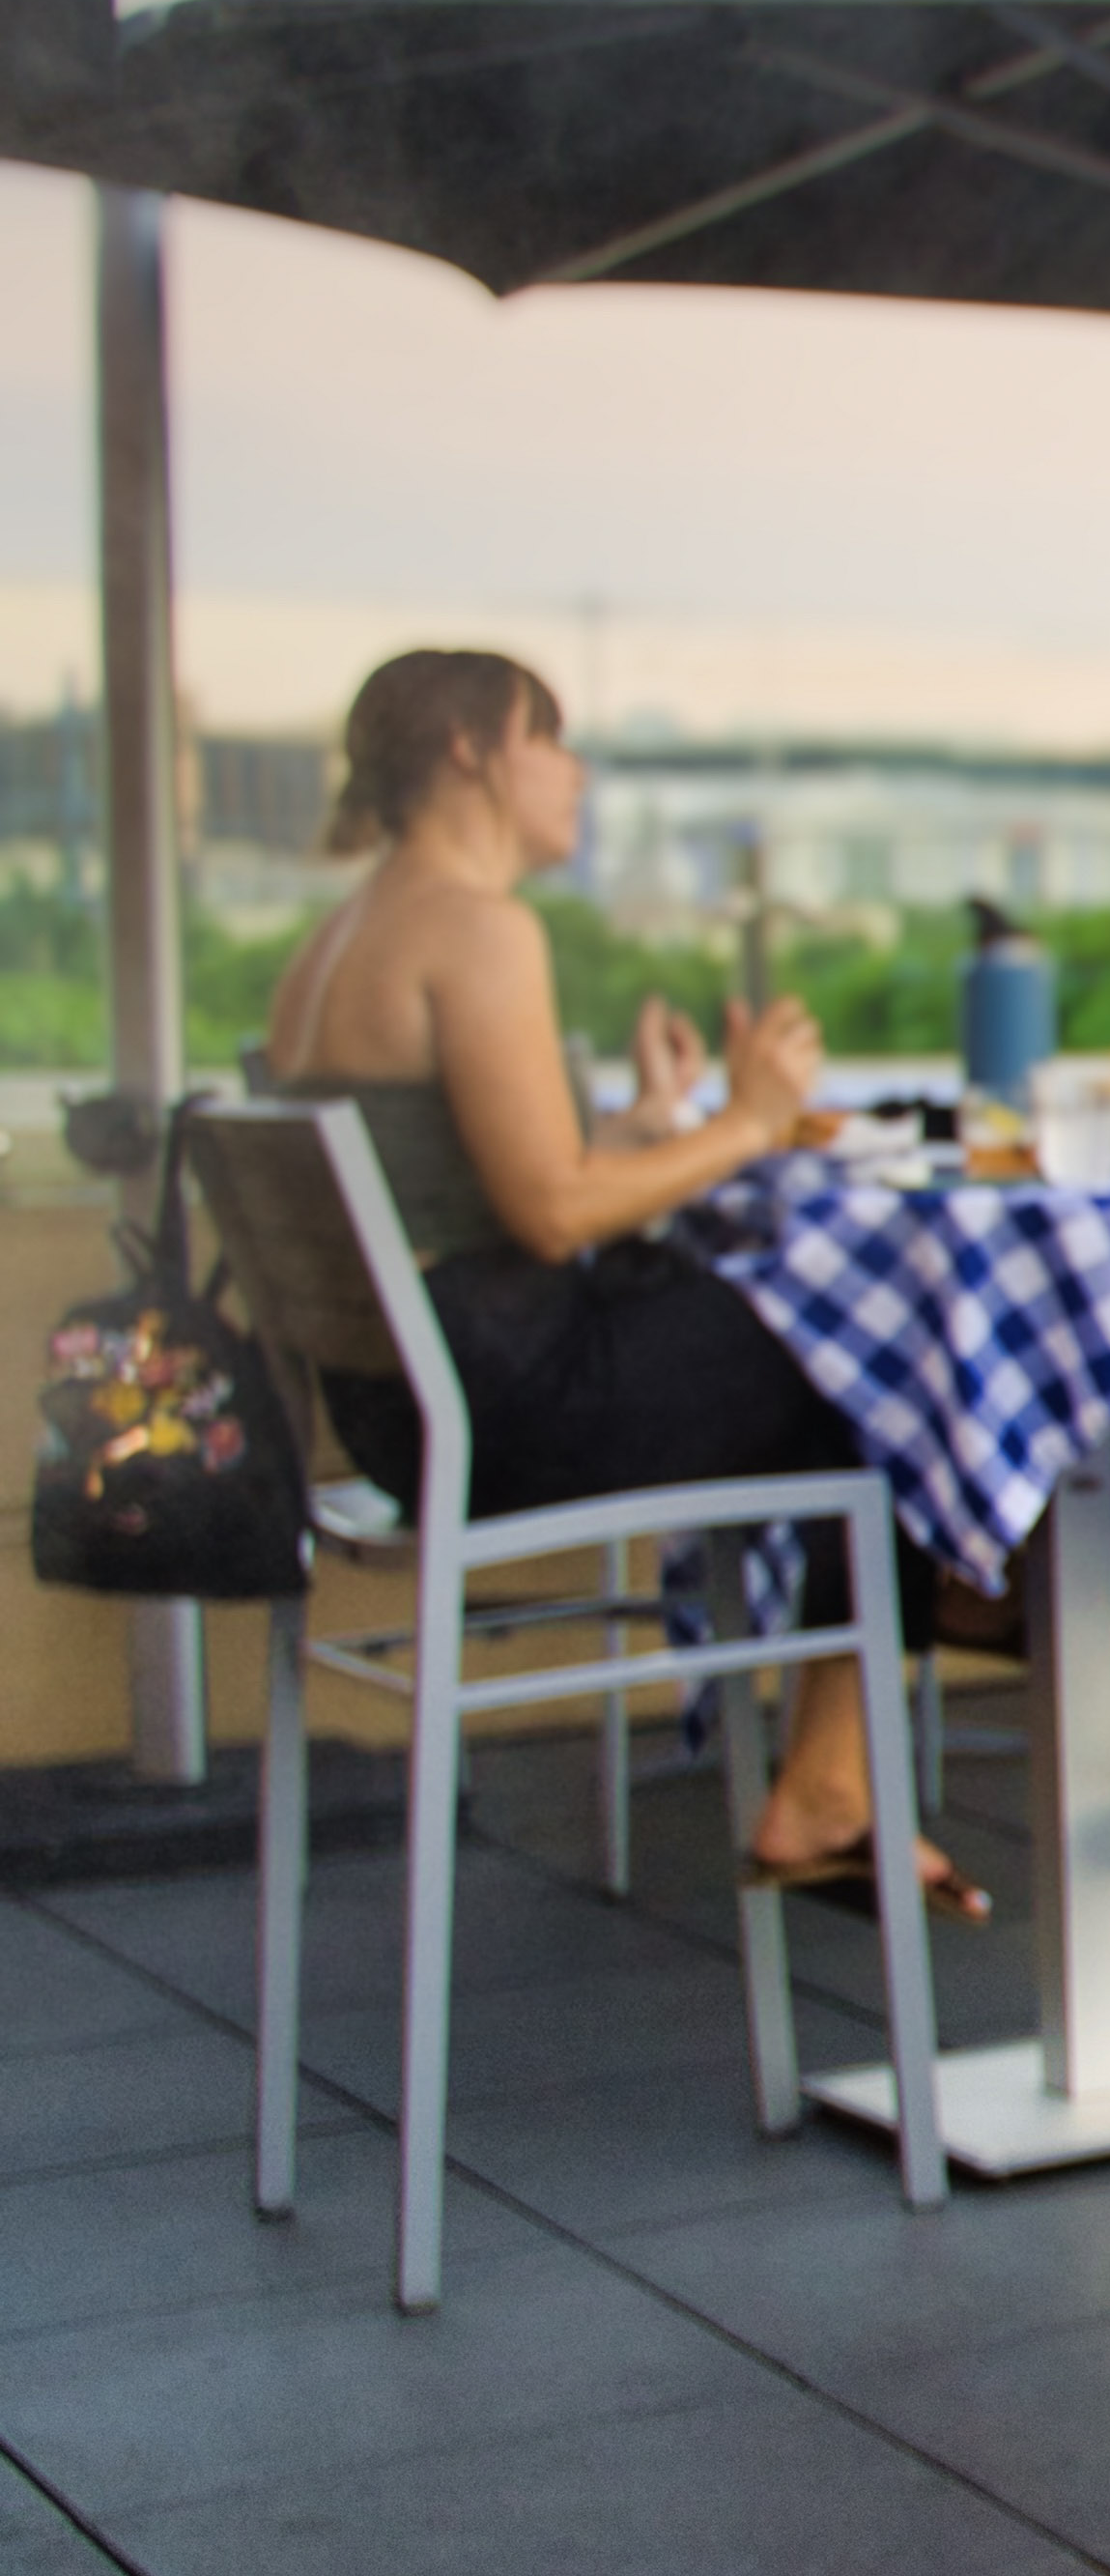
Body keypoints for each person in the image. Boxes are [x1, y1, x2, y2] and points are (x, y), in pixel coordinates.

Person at [254, 650, 980, 1914]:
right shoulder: (476, 928)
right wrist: (751, 1121)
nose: (576, 771)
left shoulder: (343, 937)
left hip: (398, 1411)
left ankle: (823, 1778)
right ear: (475, 750)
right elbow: (549, 1215)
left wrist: (654, 1124)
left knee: (836, 1352)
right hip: (506, 1393)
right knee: (896, 1361)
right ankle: (824, 1789)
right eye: (554, 736)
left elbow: (501, 1177)